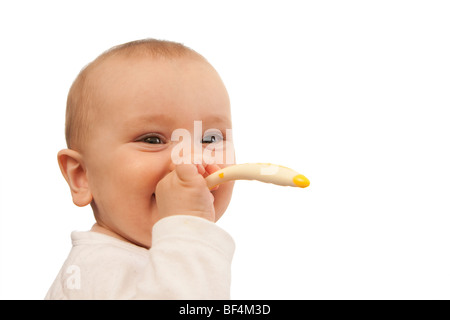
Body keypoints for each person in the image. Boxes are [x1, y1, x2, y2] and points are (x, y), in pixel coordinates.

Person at [45, 39, 235, 299]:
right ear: (82, 176)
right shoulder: (96, 269)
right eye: (152, 140)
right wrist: (188, 229)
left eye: (210, 139)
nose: (191, 158)